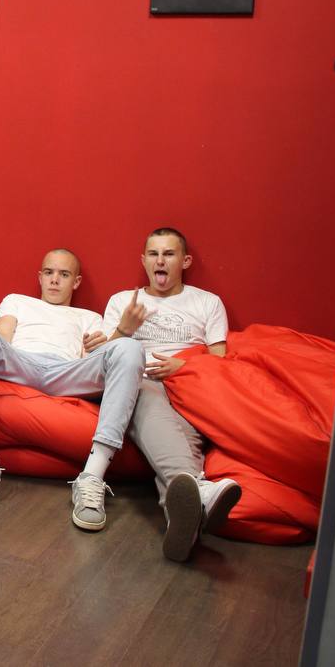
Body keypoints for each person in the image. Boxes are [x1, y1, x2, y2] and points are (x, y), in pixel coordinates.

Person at [0, 249, 145, 530]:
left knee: (130, 348)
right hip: (21, 362)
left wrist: (121, 333)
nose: (55, 280)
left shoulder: (89, 317)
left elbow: (99, 362)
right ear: (40, 277)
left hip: (67, 371)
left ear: (76, 282)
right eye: (49, 272)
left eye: (64, 274)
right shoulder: (17, 301)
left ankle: (92, 476)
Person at [103, 227, 239, 562]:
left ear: (185, 261)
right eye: (153, 254)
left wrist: (185, 366)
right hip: (138, 382)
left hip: (188, 384)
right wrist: (124, 330)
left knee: (184, 436)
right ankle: (199, 490)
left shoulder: (207, 302)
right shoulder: (123, 301)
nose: (160, 261)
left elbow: (220, 360)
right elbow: (103, 360)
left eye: (169, 254)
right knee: (146, 396)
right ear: (144, 261)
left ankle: (185, 517)